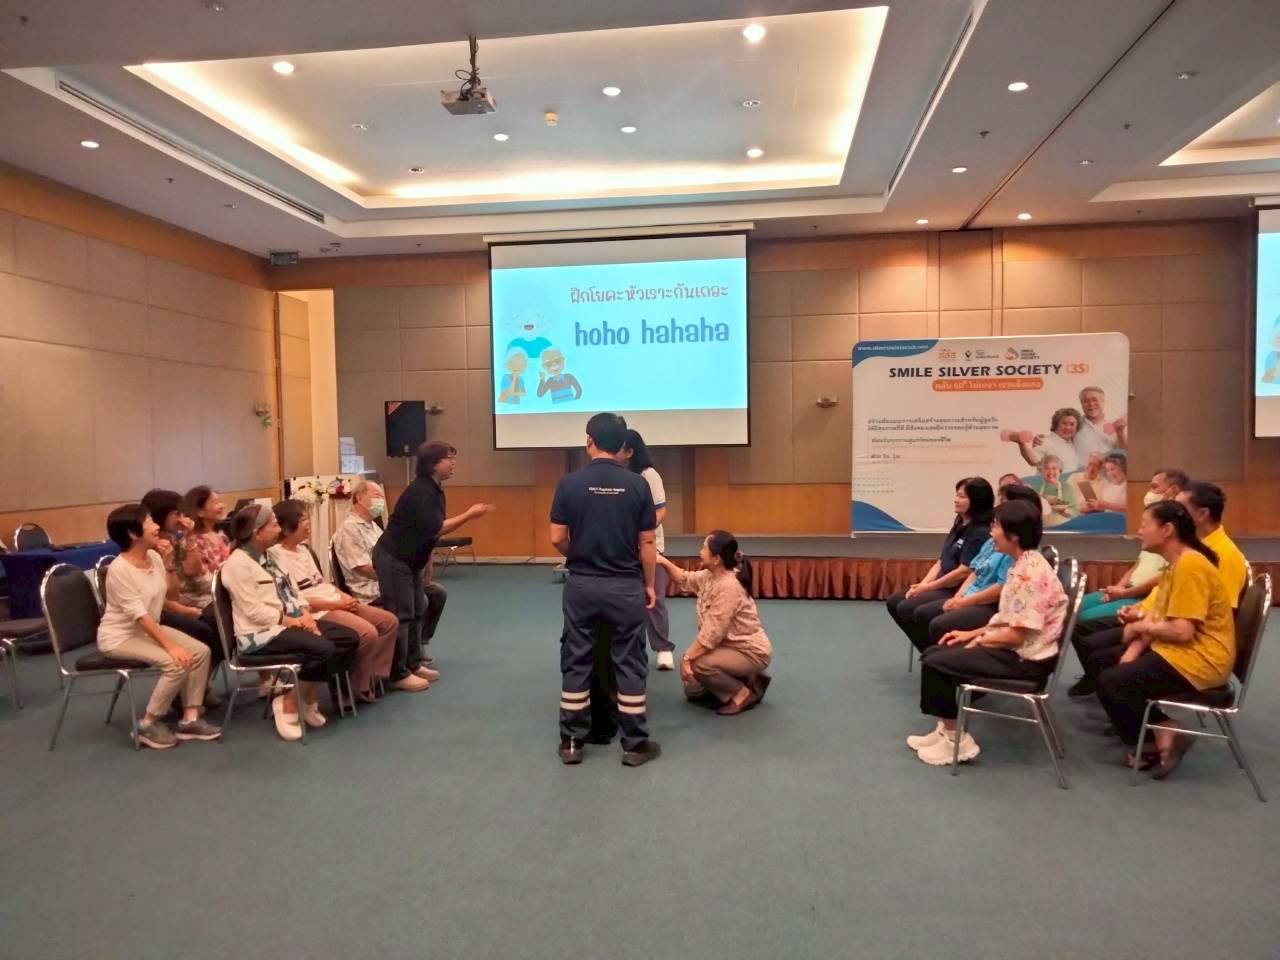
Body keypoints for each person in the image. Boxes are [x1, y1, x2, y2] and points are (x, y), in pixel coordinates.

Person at [906, 499, 1068, 766]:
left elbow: (1016, 636)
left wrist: (979, 640)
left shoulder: (1031, 575)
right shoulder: (1022, 563)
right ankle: (946, 729)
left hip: (1025, 660)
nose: (991, 533)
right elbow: (1008, 620)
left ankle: (956, 741)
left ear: (1014, 536)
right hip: (1014, 647)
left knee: (936, 662)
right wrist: (971, 634)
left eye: (996, 527)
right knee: (937, 650)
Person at [550, 412, 661, 767]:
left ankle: (571, 742)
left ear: (589, 441)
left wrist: (579, 555)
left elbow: (556, 537)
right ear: (622, 445)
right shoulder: (638, 485)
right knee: (629, 661)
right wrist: (648, 584)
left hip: (582, 585)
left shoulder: (569, 483)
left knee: (577, 659)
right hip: (625, 586)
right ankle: (635, 745)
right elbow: (647, 543)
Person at [1094, 500, 1235, 778]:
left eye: (1144, 525)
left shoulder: (1190, 565)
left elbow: (1181, 630)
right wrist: (1135, 645)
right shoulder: (1176, 564)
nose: (1139, 531)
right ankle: (1152, 730)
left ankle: (1158, 735)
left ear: (1167, 529)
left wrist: (1138, 628)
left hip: (1201, 659)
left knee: (1112, 680)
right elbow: (1159, 618)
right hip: (1181, 650)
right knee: (1101, 660)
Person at [220, 505, 359, 741]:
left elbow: (293, 592)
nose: (279, 530)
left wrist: (305, 614)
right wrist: (294, 622)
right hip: (260, 634)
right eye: (274, 525)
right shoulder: (237, 565)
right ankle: (288, 702)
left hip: (289, 622)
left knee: (348, 638)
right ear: (256, 533)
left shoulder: (272, 556)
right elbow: (254, 612)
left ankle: (307, 697)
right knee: (323, 649)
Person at [97, 505, 221, 749]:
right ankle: (147, 723)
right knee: (175, 662)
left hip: (147, 629)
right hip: (120, 637)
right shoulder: (119, 570)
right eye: (149, 522)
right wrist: (171, 647)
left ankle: (190, 719)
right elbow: (140, 616)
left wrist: (170, 567)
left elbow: (164, 596)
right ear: (133, 534)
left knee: (201, 651)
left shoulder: (153, 558)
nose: (156, 527)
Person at [374, 442, 493, 691]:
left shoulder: (434, 488)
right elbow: (437, 527)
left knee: (418, 608)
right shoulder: (421, 491)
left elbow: (425, 532)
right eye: (448, 458)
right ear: (432, 463)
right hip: (394, 558)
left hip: (412, 559)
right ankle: (397, 673)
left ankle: (413, 663)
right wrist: (470, 514)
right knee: (401, 614)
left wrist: (427, 560)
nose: (453, 463)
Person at [270, 500, 397, 704]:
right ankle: (353, 686)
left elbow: (322, 583)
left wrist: (343, 596)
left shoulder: (304, 550)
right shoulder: (276, 556)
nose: (308, 523)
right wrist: (337, 605)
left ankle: (373, 676)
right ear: (286, 527)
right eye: (303, 519)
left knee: (389, 622)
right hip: (316, 609)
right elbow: (295, 598)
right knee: (367, 633)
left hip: (333, 600)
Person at [910, 483, 1044, 652]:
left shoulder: (1025, 563)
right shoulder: (994, 541)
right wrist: (958, 599)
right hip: (974, 598)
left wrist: (965, 607)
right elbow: (974, 570)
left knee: (935, 624)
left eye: (1003, 502)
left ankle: (944, 657)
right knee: (924, 619)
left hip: (990, 605)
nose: (997, 507)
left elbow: (1014, 625)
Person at [335, 480, 446, 671]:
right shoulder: (349, 529)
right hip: (370, 589)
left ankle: (417, 644)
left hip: (391, 578)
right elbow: (361, 568)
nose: (381, 501)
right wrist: (399, 574)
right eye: (377, 496)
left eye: (382, 496)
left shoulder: (373, 526)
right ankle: (406, 660)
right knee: (421, 600)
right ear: (359, 498)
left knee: (437, 593)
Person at [657, 532, 772, 716]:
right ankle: (749, 678)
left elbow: (711, 634)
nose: (700, 552)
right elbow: (684, 578)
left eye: (704, 548)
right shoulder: (711, 575)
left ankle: (742, 694)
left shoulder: (729, 586)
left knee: (699, 665)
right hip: (727, 646)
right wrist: (661, 561)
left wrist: (687, 658)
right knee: (692, 690)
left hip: (749, 651)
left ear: (716, 559)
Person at [885, 478, 994, 644]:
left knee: (911, 609)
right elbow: (941, 561)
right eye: (956, 495)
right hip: (941, 583)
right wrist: (923, 585)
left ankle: (933, 650)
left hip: (956, 587)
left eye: (962, 496)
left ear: (977, 500)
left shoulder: (981, 532)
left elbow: (963, 572)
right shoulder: (960, 523)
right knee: (894, 602)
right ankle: (927, 648)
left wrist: (929, 587)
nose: (955, 500)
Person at [140, 487, 224, 703]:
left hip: (175, 603)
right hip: (152, 614)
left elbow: (184, 579)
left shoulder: (173, 540)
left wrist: (189, 537)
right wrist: (183, 610)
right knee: (210, 628)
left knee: (222, 623)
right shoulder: (150, 548)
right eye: (175, 514)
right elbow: (158, 597)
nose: (180, 518)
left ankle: (197, 687)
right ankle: (188, 692)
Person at [622, 429, 674, 670]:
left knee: (654, 597)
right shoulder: (616, 475)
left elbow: (661, 510)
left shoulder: (648, 475)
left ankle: (663, 648)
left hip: (650, 545)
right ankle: (630, 649)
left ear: (630, 451)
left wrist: (643, 529)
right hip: (622, 545)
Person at [1175, 481, 1249, 604]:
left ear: (1202, 514)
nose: (1172, 514)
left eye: (1179, 509)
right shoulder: (1190, 546)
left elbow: (1223, 611)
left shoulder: (1225, 556)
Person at [176, 485, 232, 613]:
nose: (222, 506)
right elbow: (196, 577)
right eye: (215, 503)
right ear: (199, 512)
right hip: (202, 602)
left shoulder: (221, 536)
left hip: (224, 595)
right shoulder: (188, 540)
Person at [1008, 407, 1082, 473]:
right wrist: (1021, 443)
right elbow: (1034, 461)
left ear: (1077, 427)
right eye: (1064, 423)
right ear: (1056, 424)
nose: (1068, 427)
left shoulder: (1074, 443)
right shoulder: (1044, 441)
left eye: (1072, 424)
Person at [1075, 386, 1128, 459]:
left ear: (1103, 401)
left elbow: (1126, 453)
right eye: (1086, 401)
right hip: (1082, 466)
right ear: (1082, 404)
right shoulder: (1075, 424)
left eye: (1095, 400)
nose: (1091, 404)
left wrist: (1120, 433)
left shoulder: (1117, 424)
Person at [1028, 454, 1077, 521]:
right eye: (1046, 468)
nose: (1050, 472)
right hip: (1043, 525)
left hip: (1062, 525)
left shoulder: (1067, 488)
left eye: (1054, 468)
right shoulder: (1036, 488)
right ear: (1041, 471)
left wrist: (1065, 511)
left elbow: (1075, 511)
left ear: (1060, 471)